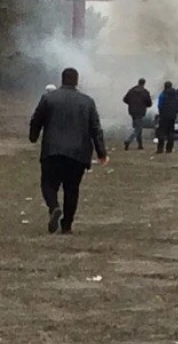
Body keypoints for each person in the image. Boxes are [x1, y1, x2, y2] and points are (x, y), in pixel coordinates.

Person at [29, 67, 107, 235]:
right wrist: (101, 153)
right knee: (72, 189)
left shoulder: (48, 98)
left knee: (48, 184)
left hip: (52, 150)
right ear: (76, 81)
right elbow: (95, 129)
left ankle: (54, 207)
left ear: (62, 79)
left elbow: (37, 119)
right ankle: (67, 226)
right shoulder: (87, 102)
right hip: (78, 153)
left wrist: (33, 136)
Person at [123, 77, 152, 150]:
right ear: (144, 83)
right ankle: (128, 141)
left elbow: (125, 99)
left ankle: (140, 145)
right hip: (140, 111)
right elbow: (149, 103)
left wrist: (131, 104)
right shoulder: (145, 92)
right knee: (138, 128)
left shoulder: (131, 90)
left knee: (138, 127)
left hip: (132, 111)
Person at [156, 80, 178, 154]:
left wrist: (160, 113)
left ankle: (160, 149)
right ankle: (169, 149)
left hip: (164, 116)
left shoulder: (163, 94)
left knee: (161, 132)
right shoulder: (175, 94)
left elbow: (159, 105)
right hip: (172, 116)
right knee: (171, 132)